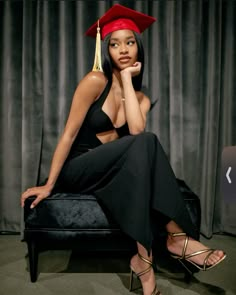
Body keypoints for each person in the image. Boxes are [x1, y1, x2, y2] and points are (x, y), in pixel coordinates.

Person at [21, 4, 226, 295]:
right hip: (79, 169)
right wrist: (48, 185)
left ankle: (143, 261)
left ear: (138, 48)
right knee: (147, 141)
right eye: (115, 44)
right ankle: (176, 237)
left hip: (111, 172)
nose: (123, 49)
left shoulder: (139, 98)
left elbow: (136, 131)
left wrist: (128, 80)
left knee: (144, 149)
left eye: (130, 42)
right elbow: (67, 135)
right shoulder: (94, 81)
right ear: (107, 51)